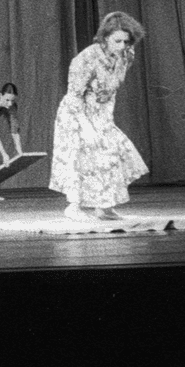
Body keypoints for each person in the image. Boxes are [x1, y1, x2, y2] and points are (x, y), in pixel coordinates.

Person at [49, 11, 150, 220]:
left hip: (101, 112)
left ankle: (104, 207)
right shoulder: (86, 58)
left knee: (111, 152)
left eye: (126, 41)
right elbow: (75, 96)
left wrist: (105, 119)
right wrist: (86, 126)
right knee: (80, 156)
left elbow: (112, 90)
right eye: (117, 41)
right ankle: (73, 206)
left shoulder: (127, 55)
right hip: (75, 114)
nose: (122, 46)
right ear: (105, 38)